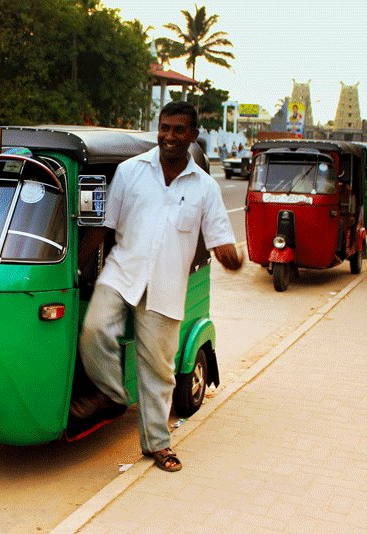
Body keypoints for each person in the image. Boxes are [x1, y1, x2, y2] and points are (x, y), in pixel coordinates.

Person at [72, 101, 244, 473]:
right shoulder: (130, 171)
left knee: (159, 371)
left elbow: (219, 239)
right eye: (164, 128)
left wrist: (232, 257)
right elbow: (103, 227)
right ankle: (112, 395)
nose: (168, 136)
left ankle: (158, 446)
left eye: (178, 130)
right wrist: (76, 269)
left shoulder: (205, 188)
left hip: (166, 287)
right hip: (122, 272)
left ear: (193, 136)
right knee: (94, 329)